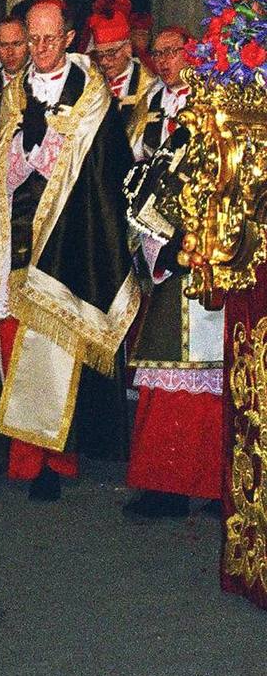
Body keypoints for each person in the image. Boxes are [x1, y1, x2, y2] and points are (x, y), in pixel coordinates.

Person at [0, 0, 139, 501]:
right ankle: (22, 456)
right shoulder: (10, 95)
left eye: (48, 38)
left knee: (58, 343)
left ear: (67, 37)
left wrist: (56, 160)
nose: (39, 49)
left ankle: (57, 459)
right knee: (13, 338)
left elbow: (108, 172)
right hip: (13, 237)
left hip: (67, 239)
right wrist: (19, 159)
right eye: (31, 39)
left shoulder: (92, 98)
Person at [124, 25, 221, 518]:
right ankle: (168, 482)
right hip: (157, 243)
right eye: (156, 54)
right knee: (167, 363)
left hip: (202, 244)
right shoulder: (148, 104)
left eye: (172, 52)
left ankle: (206, 484)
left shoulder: (214, 105)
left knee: (202, 367)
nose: (163, 61)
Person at [89, 10, 158, 144]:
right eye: (100, 55)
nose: (104, 61)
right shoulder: (89, 80)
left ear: (127, 48)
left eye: (111, 53)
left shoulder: (150, 86)